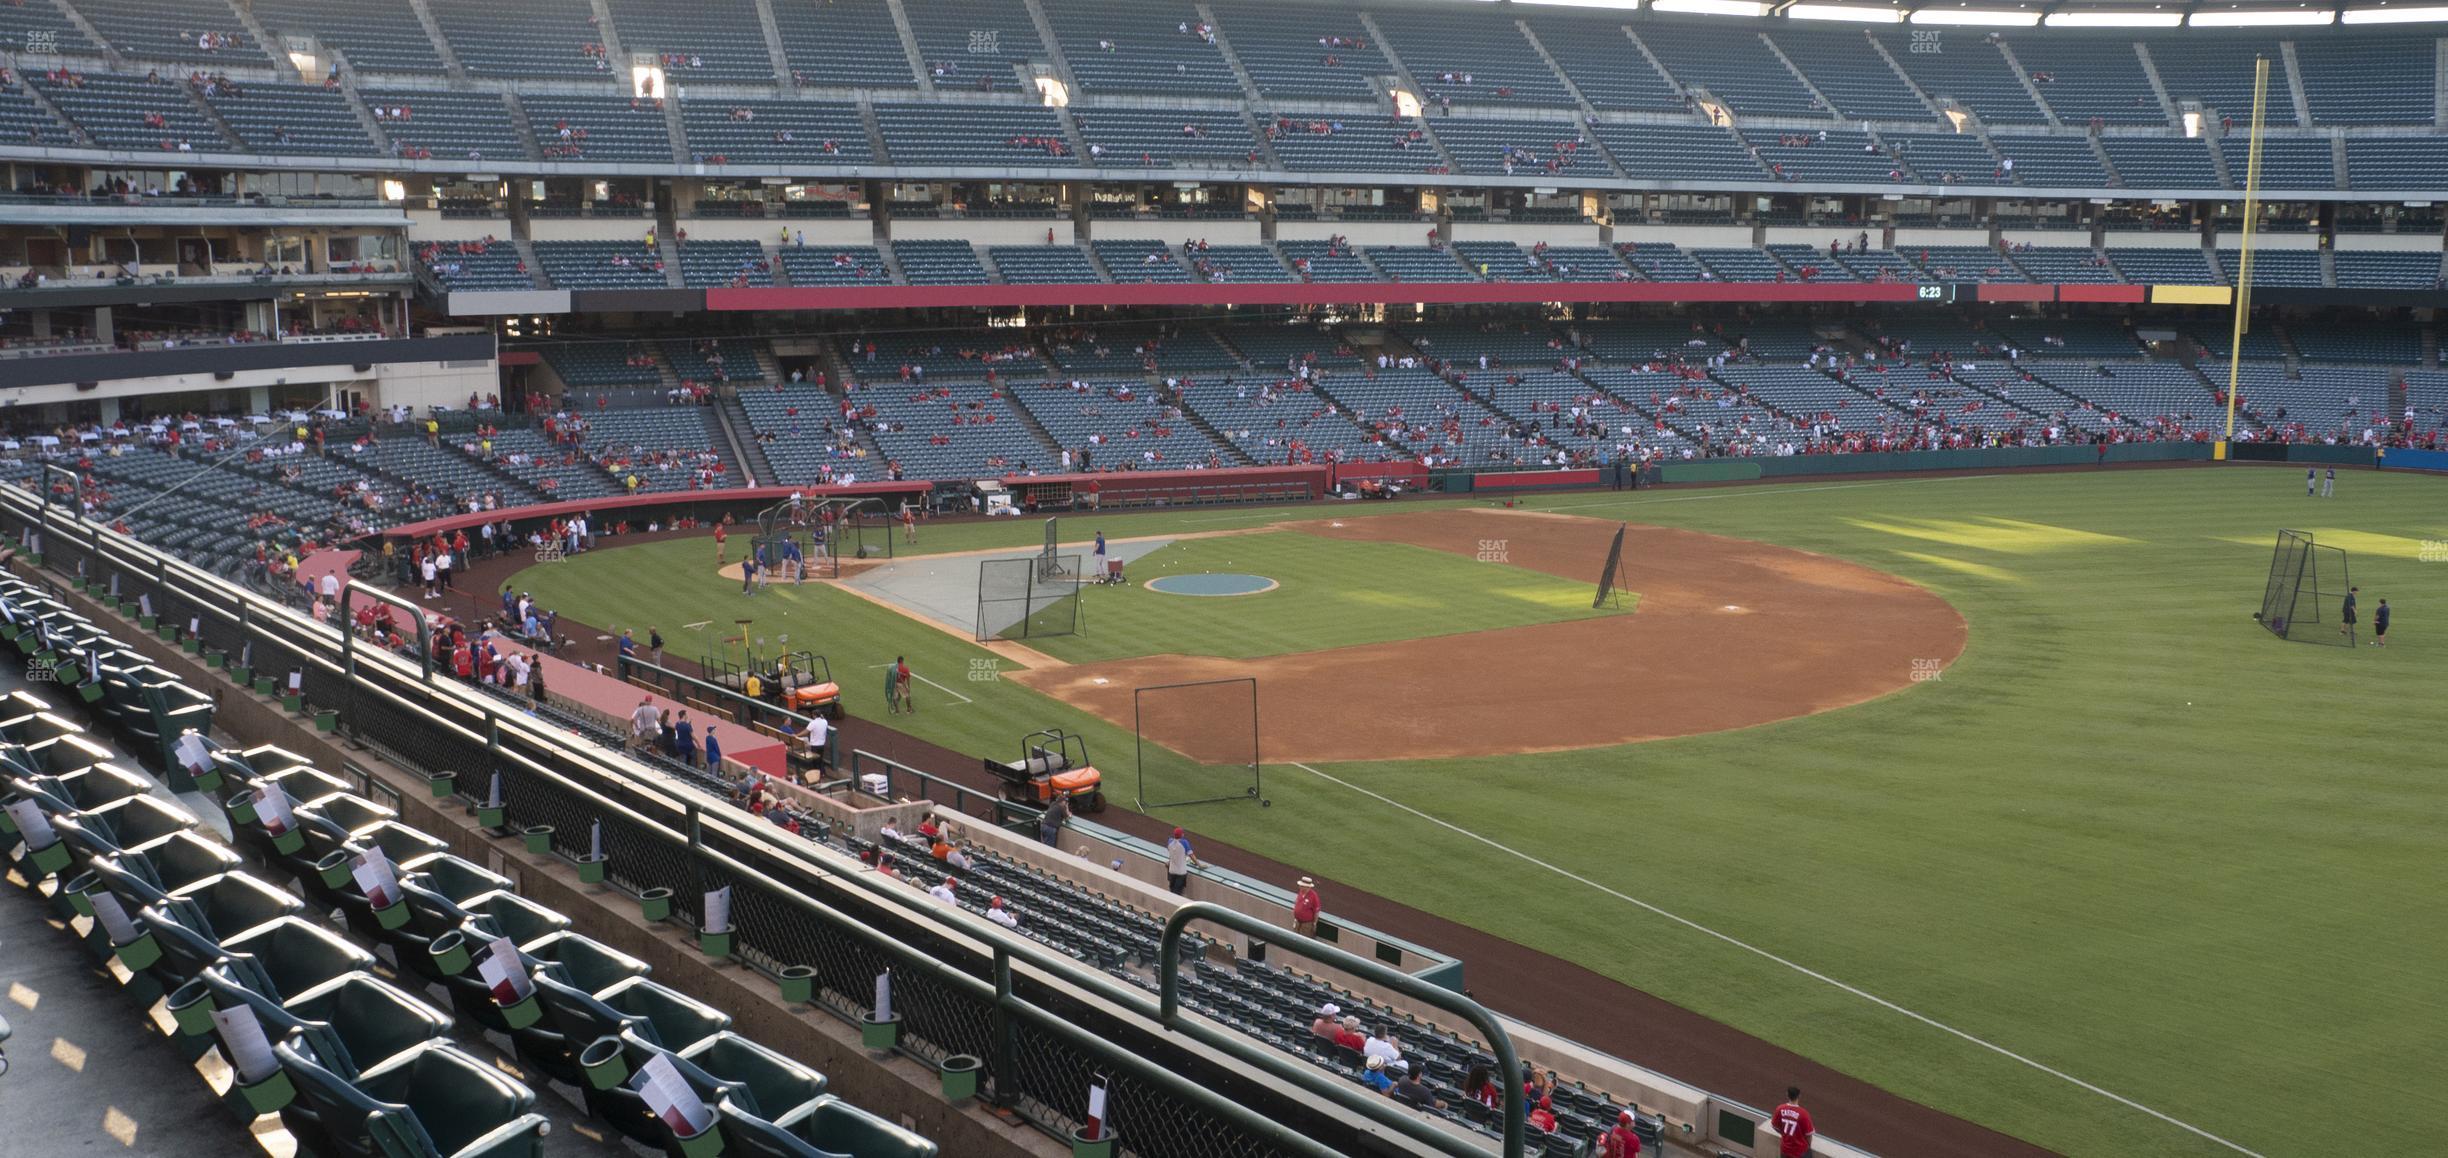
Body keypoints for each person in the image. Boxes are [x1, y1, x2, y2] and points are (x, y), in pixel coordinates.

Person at [1772, 1088, 1814, 1158]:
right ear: (1799, 1096)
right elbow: (1809, 1134)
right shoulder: (1804, 1114)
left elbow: (1774, 1126)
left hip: (1785, 1149)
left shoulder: (1780, 1109)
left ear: (1787, 1095)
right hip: (1800, 1152)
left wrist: (1784, 1134)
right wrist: (1808, 1146)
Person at [1164, 827, 1199, 894]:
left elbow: (1172, 853)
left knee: (1172, 890)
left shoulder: (1170, 841)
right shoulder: (1184, 842)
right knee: (1177, 893)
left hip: (1171, 871)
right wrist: (1199, 864)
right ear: (1182, 835)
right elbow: (1191, 855)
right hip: (1181, 873)